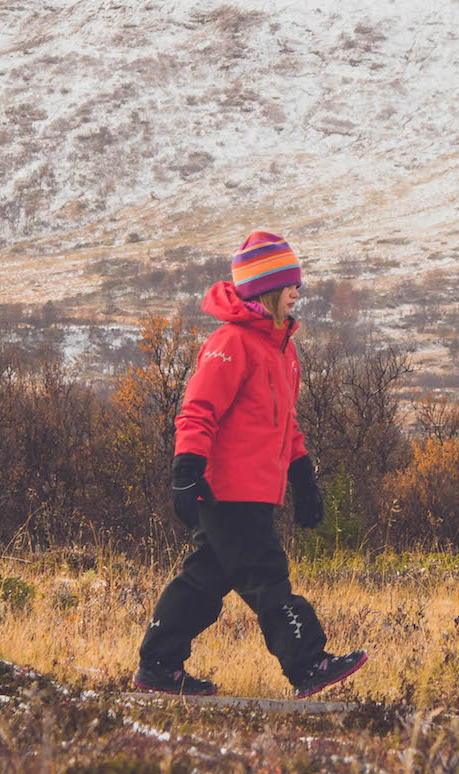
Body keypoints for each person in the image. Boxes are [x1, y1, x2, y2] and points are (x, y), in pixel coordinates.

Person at [133, 232, 368, 698]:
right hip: (226, 491)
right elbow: (198, 410)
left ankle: (157, 666)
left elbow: (286, 424)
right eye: (291, 285)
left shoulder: (281, 347)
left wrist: (304, 479)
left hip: (258, 490)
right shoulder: (231, 342)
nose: (298, 292)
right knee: (267, 576)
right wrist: (186, 472)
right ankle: (308, 664)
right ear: (268, 289)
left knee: (204, 580)